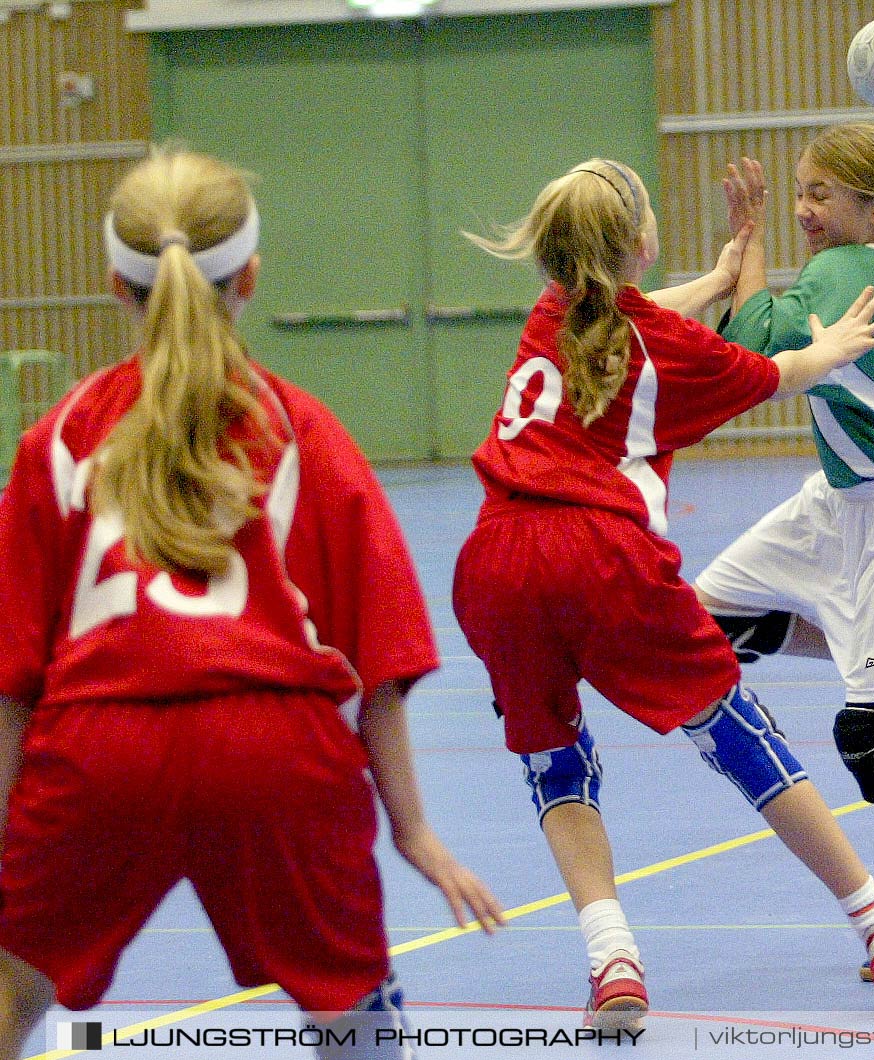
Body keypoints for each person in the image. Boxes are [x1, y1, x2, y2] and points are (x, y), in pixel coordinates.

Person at [0, 146, 505, 1060]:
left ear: (115, 283)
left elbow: (12, 683)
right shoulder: (302, 429)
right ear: (253, 278)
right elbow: (381, 665)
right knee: (353, 1007)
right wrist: (414, 829)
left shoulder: (60, 438)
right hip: (276, 753)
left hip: (99, 750)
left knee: (11, 988)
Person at [452, 157, 874, 1032]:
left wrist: (721, 278)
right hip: (598, 555)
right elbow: (775, 372)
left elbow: (639, 312)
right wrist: (827, 348)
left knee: (554, 762)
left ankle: (613, 960)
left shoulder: (552, 318)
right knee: (735, 734)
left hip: (494, 561)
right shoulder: (668, 350)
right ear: (642, 241)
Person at [694, 63, 874, 976]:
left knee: (871, 734)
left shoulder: (840, 269)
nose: (803, 209)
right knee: (705, 619)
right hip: (843, 503)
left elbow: (747, 339)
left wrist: (741, 242)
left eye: (819, 193)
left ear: (870, 208)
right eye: (795, 195)